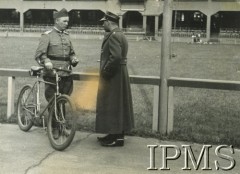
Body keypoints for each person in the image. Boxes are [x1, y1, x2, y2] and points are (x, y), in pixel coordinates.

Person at [95, 11, 134, 147]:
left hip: (114, 75)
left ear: (109, 22)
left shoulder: (113, 36)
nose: (102, 25)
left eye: (103, 22)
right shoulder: (120, 34)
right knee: (118, 104)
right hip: (120, 73)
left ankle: (116, 138)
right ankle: (115, 135)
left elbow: (115, 57)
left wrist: (106, 71)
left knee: (113, 104)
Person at [35, 8, 79, 102]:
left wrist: (74, 59)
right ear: (57, 21)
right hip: (52, 73)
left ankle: (61, 117)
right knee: (53, 101)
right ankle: (54, 117)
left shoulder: (67, 36)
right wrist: (46, 61)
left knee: (64, 99)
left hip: (66, 73)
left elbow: (71, 53)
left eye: (67, 21)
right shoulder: (47, 35)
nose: (67, 23)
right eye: (64, 21)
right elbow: (40, 54)